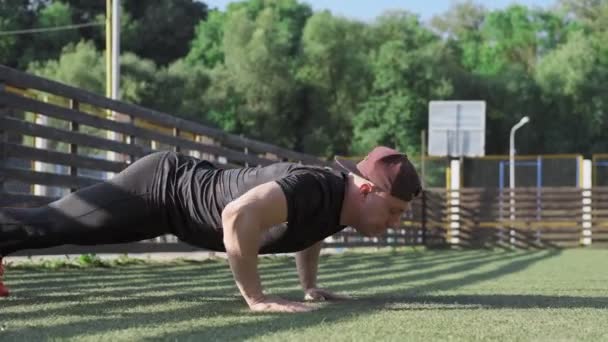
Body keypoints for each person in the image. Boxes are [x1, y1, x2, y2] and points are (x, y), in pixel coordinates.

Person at [0, 145, 421, 312]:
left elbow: (311, 232)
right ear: (366, 189)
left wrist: (309, 285)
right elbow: (237, 215)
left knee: (61, 230)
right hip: (161, 188)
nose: (396, 221)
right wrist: (256, 298)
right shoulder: (315, 186)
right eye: (396, 210)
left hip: (172, 212)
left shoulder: (340, 207)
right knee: (53, 226)